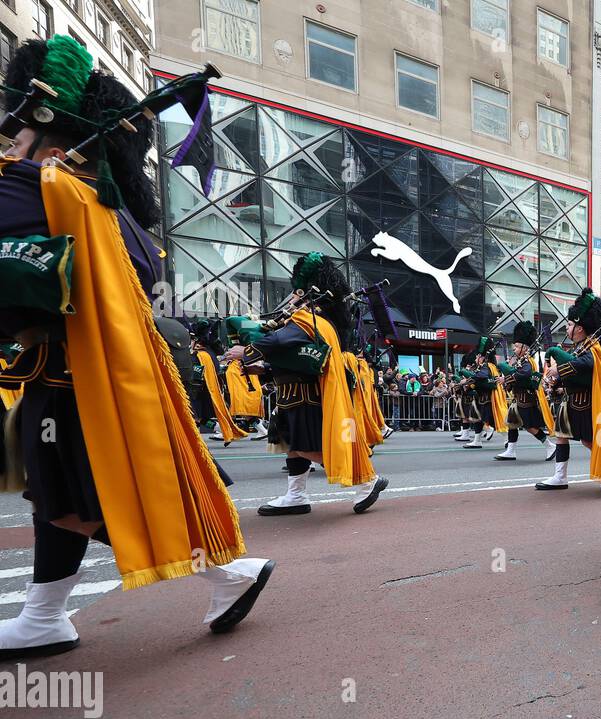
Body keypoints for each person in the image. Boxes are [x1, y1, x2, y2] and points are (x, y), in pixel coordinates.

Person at [0, 36, 274, 659]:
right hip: (85, 379)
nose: (10, 146)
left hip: (78, 384)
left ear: (56, 133)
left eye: (18, 135)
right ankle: (44, 614)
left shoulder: (48, 190)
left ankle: (226, 572)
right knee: (65, 497)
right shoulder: (111, 213)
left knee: (79, 501)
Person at [227, 252, 388, 517]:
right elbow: (298, 358)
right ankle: (296, 495)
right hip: (295, 393)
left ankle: (365, 480)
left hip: (304, 396)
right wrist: (265, 368)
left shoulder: (309, 320)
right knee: (293, 448)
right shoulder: (318, 322)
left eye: (295, 293)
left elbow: (280, 342)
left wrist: (247, 350)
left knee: (301, 446)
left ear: (303, 292)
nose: (290, 298)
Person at [536, 289, 601, 491]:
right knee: (561, 435)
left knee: (589, 441)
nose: (567, 328)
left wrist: (558, 367)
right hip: (574, 401)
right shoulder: (582, 345)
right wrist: (558, 384)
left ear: (580, 328)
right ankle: (560, 476)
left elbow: (585, 364)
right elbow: (576, 371)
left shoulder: (593, 347)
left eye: (570, 324)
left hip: (589, 403)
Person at [493, 321, 557, 462]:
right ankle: (510, 451)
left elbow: (525, 373)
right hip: (519, 398)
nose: (514, 348)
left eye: (516, 346)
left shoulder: (527, 361)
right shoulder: (520, 360)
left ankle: (550, 446)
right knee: (512, 423)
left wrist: (508, 377)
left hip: (526, 399)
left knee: (530, 426)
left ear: (524, 347)